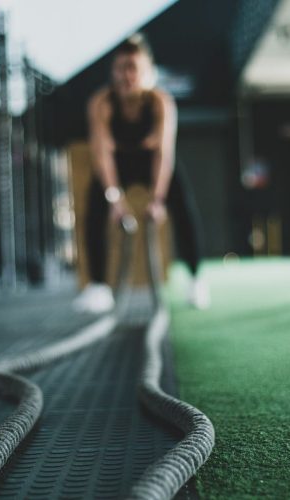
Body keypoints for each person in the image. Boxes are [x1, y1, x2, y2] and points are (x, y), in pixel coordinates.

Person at [73, 34, 209, 313]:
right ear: (113, 72)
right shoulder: (101, 103)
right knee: (94, 207)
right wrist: (115, 201)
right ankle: (98, 287)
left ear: (147, 72)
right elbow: (102, 155)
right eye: (120, 68)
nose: (126, 76)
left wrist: (157, 201)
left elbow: (163, 154)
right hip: (118, 163)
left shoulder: (160, 103)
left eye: (133, 68)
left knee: (183, 206)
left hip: (151, 163)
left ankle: (196, 280)